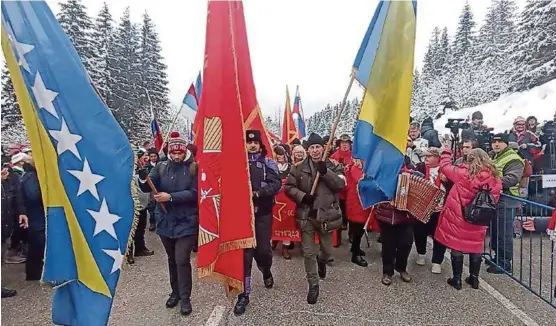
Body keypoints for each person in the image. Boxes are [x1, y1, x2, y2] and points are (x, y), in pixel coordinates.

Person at [138, 131, 198, 316]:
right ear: (170, 152)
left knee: (181, 260)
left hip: (186, 221)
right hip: (165, 222)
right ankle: (176, 293)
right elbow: (148, 186)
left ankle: (186, 298)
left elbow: (195, 193)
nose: (177, 156)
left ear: (185, 151)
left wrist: (170, 197)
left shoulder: (194, 168)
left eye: (180, 153)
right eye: (174, 153)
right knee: (172, 260)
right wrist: (142, 176)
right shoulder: (162, 167)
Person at [285, 133, 345, 304]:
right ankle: (313, 285)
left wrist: (326, 173)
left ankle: (322, 261)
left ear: (324, 148)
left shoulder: (334, 165)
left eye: (318, 146)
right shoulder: (298, 167)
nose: (315, 150)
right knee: (308, 253)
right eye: (312, 147)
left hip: (326, 217)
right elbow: (289, 187)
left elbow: (340, 185)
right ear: (307, 150)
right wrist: (303, 197)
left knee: (327, 251)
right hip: (307, 217)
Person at [435, 145, 502, 289]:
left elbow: (445, 166)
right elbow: (495, 198)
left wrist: (446, 151)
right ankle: (474, 278)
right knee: (476, 246)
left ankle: (457, 279)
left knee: (457, 245)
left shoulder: (463, 173)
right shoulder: (495, 177)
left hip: (459, 215)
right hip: (480, 217)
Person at [234, 130, 281, 316]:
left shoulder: (268, 162)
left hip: (262, 213)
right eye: (248, 142)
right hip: (242, 216)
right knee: (245, 256)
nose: (252, 145)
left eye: (255, 143)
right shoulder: (237, 163)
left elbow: (276, 184)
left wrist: (258, 193)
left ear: (260, 145)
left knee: (263, 251)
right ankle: (243, 295)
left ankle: (266, 270)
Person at [374, 163, 416, 286]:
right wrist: (387, 200)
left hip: (405, 217)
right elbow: (375, 193)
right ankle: (387, 272)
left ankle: (401, 268)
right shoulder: (381, 174)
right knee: (388, 245)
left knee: (406, 243)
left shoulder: (411, 174)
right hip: (386, 217)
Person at [488, 133, 524, 274]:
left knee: (504, 232)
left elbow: (512, 179)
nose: (496, 144)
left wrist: (490, 183)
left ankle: (504, 263)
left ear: (506, 143)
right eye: (494, 142)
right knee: (496, 231)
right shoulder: (494, 156)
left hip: (507, 199)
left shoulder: (513, 158)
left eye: (500, 142)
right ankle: (498, 257)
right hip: (497, 198)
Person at [413, 148, 449, 274]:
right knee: (419, 232)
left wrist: (447, 182)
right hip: (422, 207)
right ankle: (421, 253)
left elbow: (454, 187)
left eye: (430, 156)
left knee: (438, 236)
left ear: (438, 158)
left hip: (440, 209)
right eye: (425, 156)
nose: (426, 158)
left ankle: (437, 261)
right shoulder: (420, 168)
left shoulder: (446, 171)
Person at [1, 164, 27, 298]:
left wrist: (22, 212)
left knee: (1, 256)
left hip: (4, 226)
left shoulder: (8, 176)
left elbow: (17, 194)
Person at [345, 159, 369, 267]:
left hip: (362, 202)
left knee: (361, 227)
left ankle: (356, 248)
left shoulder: (364, 166)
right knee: (358, 227)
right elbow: (361, 180)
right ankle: (355, 254)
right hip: (356, 202)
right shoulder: (354, 168)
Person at [330, 134, 352, 245]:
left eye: (346, 143)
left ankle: (351, 234)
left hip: (350, 190)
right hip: (338, 190)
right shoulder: (334, 156)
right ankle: (336, 238)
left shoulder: (354, 156)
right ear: (339, 144)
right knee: (338, 213)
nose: (344, 145)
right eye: (342, 143)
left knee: (351, 212)